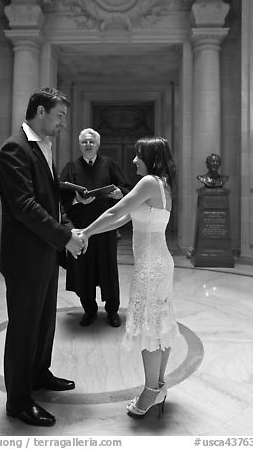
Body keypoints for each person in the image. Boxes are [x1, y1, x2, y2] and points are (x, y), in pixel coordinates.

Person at [0, 88, 85, 427]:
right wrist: (65, 238)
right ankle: (18, 401)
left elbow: (46, 197)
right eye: (60, 116)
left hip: (44, 254)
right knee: (23, 329)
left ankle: (38, 373)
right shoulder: (13, 149)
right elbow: (25, 208)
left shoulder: (43, 146)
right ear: (41, 111)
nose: (63, 123)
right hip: (24, 258)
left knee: (44, 323)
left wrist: (69, 204)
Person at [80, 136, 180, 418]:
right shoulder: (162, 183)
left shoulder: (149, 182)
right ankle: (158, 386)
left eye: (138, 155)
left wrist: (84, 232)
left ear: (150, 156)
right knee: (159, 323)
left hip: (151, 266)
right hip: (160, 262)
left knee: (150, 326)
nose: (134, 160)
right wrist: (89, 233)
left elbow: (115, 211)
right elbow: (122, 218)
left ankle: (149, 393)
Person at [60, 128, 131, 327]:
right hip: (81, 230)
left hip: (106, 228)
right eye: (84, 142)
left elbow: (126, 187)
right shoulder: (71, 167)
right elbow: (61, 194)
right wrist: (76, 200)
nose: (88, 145)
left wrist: (119, 193)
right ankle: (89, 310)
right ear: (80, 145)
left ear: (98, 145)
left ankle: (112, 311)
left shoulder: (109, 164)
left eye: (91, 142)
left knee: (108, 269)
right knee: (84, 270)